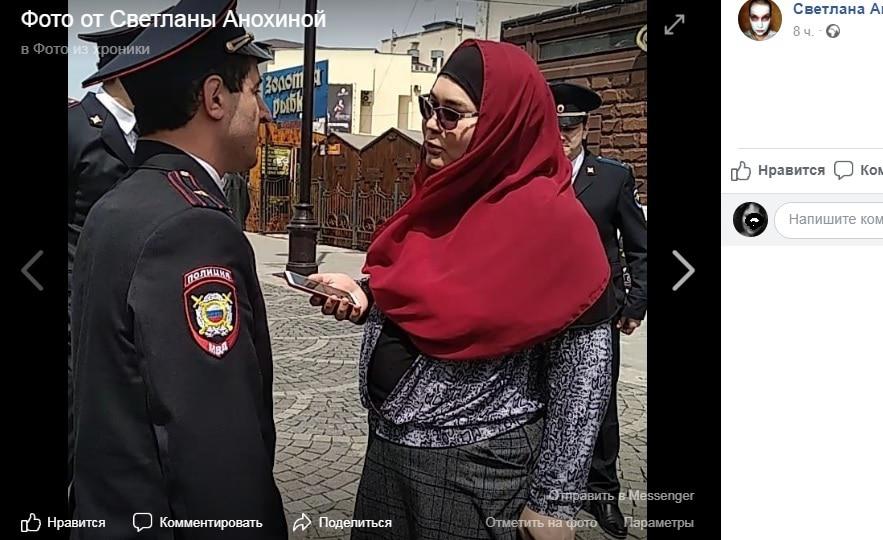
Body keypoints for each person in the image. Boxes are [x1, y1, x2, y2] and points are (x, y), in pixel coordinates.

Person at [305, 40, 615, 540]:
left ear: (503, 124)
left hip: (478, 469)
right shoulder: (440, 194)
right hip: (388, 452)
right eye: (429, 107)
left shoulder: (557, 228)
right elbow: (428, 286)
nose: (432, 124)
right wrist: (367, 294)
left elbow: (584, 376)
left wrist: (553, 503)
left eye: (452, 114)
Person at [69, 0, 286, 537]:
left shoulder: (116, 204)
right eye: (255, 91)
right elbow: (214, 446)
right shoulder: (192, 227)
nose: (263, 113)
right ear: (215, 98)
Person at [550, 81, 648, 539]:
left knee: (600, 403)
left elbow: (640, 246)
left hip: (598, 310)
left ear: (585, 128)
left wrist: (636, 303)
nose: (562, 135)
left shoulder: (611, 177)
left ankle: (601, 491)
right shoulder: (530, 175)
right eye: (555, 126)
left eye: (570, 127)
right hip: (540, 310)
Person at [67, 19, 150, 500]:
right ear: (126, 70)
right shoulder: (77, 127)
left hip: (133, 302)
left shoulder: (153, 132)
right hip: (79, 303)